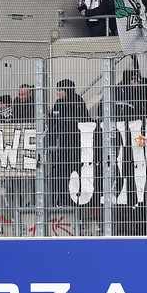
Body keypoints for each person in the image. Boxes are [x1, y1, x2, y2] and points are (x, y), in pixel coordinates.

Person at [48, 80, 89, 208]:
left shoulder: (78, 103)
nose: (57, 93)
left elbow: (85, 121)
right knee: (62, 173)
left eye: (60, 90)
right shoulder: (59, 103)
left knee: (77, 173)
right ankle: (62, 201)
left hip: (77, 145)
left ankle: (77, 202)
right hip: (64, 144)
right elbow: (52, 120)